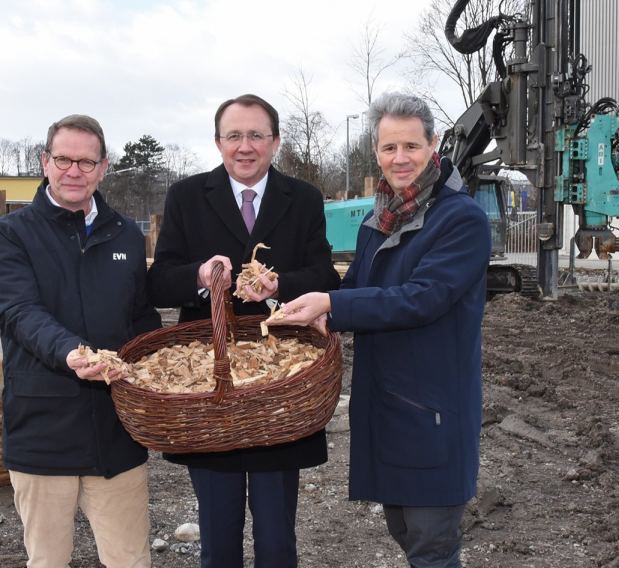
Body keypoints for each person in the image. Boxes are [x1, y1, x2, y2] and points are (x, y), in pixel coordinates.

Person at [271, 92, 491, 568]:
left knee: (432, 545)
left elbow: (423, 297)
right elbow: (353, 288)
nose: (400, 159)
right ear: (376, 153)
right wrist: (286, 291)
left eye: (411, 146)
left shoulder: (461, 219)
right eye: (389, 148)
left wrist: (333, 304)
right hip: (387, 408)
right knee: (404, 530)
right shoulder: (380, 217)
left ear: (434, 145)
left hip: (433, 410)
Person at [147, 93, 341, 567]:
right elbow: (158, 281)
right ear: (218, 142)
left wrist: (280, 285)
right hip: (211, 382)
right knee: (218, 533)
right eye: (234, 135)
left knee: (276, 537)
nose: (245, 146)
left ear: (274, 143)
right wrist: (199, 276)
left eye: (256, 135)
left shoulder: (304, 198)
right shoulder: (188, 197)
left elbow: (325, 275)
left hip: (281, 385)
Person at [0, 114, 161, 568]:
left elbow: (140, 316)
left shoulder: (124, 234)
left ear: (104, 168)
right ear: (45, 162)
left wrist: (158, 366)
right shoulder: (10, 234)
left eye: (86, 161)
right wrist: (72, 353)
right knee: (47, 562)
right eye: (63, 159)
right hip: (42, 428)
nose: (74, 171)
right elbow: (20, 313)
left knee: (131, 560)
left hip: (115, 432)